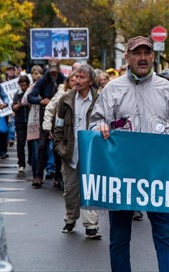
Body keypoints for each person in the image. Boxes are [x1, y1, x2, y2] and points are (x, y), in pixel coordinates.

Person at [89, 36, 169, 272]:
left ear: (153, 56)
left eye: (147, 53)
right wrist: (99, 127)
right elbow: (96, 122)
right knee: (119, 237)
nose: (142, 58)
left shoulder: (166, 88)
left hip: (160, 175)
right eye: (137, 53)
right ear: (127, 57)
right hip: (123, 176)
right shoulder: (113, 89)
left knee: (165, 235)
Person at [53, 65, 101, 239]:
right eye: (76, 77)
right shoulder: (65, 100)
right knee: (70, 190)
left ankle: (91, 225)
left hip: (91, 154)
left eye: (82, 77)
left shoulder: (99, 100)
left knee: (90, 188)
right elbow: (57, 127)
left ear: (90, 81)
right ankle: (70, 218)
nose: (77, 80)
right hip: (69, 153)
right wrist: (60, 147)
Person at [28, 59, 66, 185]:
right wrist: (41, 100)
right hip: (46, 115)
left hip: (60, 115)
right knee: (42, 146)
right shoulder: (43, 80)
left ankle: (57, 176)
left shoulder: (63, 79)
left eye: (55, 70)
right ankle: (38, 175)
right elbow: (31, 96)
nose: (53, 73)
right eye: (51, 70)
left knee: (58, 146)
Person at [12, 75, 31, 175]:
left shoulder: (31, 92)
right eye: (21, 85)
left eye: (25, 85)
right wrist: (19, 104)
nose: (23, 87)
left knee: (32, 144)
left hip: (30, 121)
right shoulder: (17, 94)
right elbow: (13, 107)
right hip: (20, 122)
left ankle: (31, 161)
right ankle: (21, 164)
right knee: (20, 143)